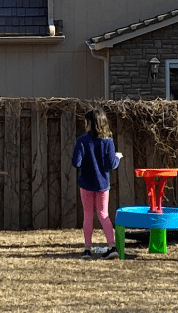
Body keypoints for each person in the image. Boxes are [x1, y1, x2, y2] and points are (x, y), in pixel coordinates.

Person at [72, 108, 122, 260]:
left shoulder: (82, 141)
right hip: (102, 184)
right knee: (103, 214)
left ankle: (87, 249)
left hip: (86, 183)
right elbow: (111, 164)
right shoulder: (108, 141)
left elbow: (76, 162)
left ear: (89, 123)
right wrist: (117, 157)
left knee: (88, 214)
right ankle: (112, 246)